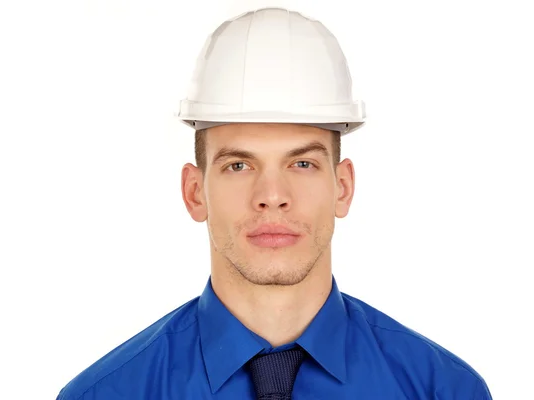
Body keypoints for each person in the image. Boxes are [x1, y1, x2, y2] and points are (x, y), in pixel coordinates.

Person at [56, 7, 492, 399]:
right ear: (194, 192)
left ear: (342, 187)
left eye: (302, 163)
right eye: (238, 166)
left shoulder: (442, 390)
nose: (272, 197)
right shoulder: (108, 394)